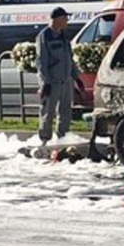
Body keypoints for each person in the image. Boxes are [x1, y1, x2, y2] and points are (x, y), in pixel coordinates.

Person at [36, 7, 81, 144]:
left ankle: (63, 139)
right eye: (65, 18)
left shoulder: (63, 36)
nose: (67, 20)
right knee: (48, 111)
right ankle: (44, 139)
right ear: (57, 19)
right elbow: (41, 61)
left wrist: (76, 76)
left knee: (65, 112)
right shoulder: (45, 36)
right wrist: (45, 82)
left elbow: (69, 57)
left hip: (66, 80)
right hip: (52, 81)